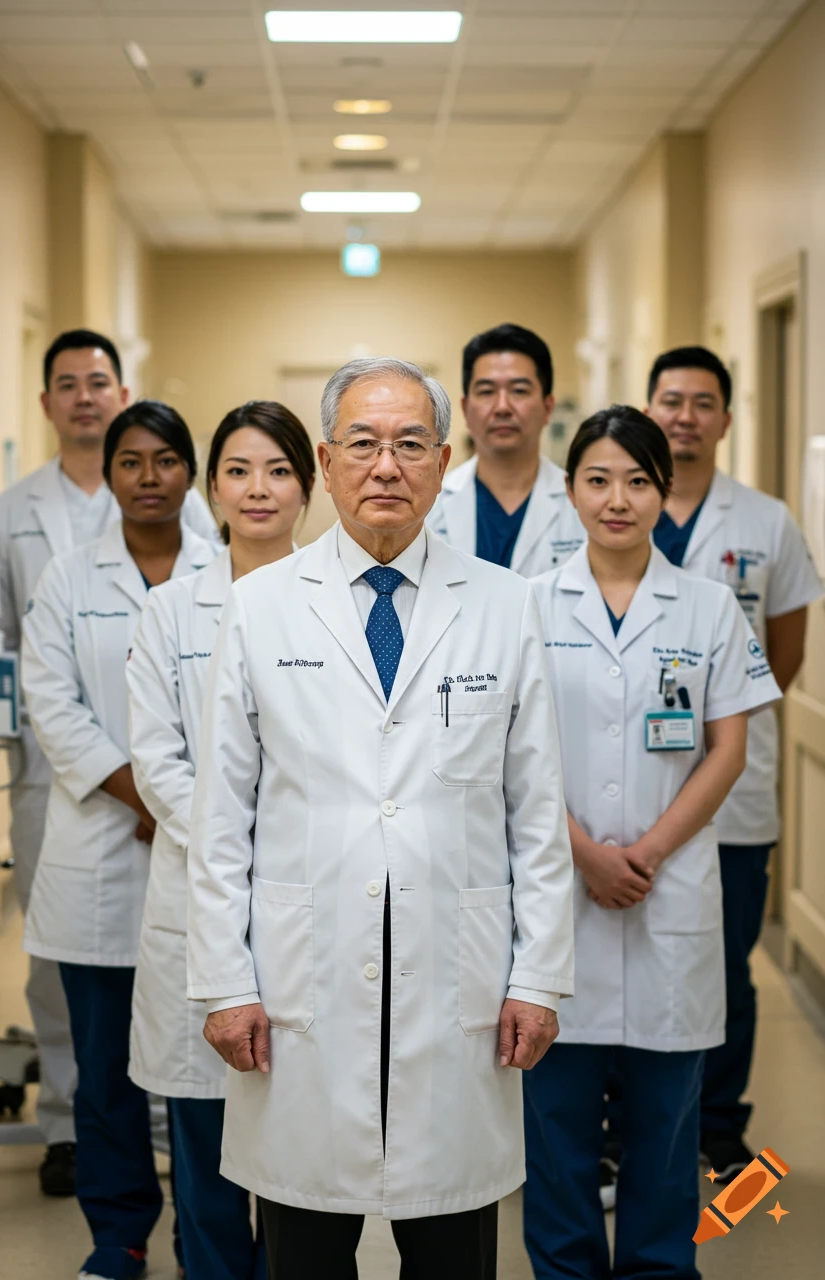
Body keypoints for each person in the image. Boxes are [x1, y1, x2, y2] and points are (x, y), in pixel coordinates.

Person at [186, 357, 575, 1280]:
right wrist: (226, 984)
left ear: (446, 462)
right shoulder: (259, 608)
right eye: (362, 444)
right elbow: (218, 821)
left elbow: (537, 816)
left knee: (452, 1241)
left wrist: (541, 978)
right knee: (306, 1241)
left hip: (458, 975)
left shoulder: (504, 605)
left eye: (409, 445)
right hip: (302, 974)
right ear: (325, 461)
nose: (386, 467)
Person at [521, 406, 781, 1280]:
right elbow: (503, 757)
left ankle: (661, 1270)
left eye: (637, 480)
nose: (617, 498)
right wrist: (584, 853)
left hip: (667, 893)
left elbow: (729, 747)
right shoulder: (527, 605)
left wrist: (648, 853)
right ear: (570, 493)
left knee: (666, 1128)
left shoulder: (706, 608)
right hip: (561, 892)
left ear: (663, 495)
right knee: (554, 1127)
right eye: (598, 479)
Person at [0, 329, 216, 1196]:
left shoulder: (226, 571)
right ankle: (116, 1225)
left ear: (191, 475)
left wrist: (177, 802)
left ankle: (204, 1228)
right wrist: (142, 794)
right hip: (97, 826)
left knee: (201, 1058)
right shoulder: (67, 576)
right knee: (93, 1042)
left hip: (196, 832)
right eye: (133, 463)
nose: (148, 477)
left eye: (166, 462)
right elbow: (51, 702)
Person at [126, 401, 316, 1280]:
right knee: (201, 1136)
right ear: (211, 490)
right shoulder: (169, 612)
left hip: (303, 896)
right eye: (238, 470)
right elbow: (157, 757)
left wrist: (275, 836)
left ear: (308, 489)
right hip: (196, 891)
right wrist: (234, 833)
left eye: (278, 470)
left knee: (292, 1140)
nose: (257, 489)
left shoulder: (334, 607)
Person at [645, 346, 823, 1182]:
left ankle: (717, 1125)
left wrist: (716, 733)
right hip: (622, 796)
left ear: (725, 417)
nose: (685, 415)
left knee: (727, 964)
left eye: (702, 402)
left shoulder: (766, 521)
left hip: (734, 792)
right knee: (626, 958)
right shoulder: (610, 506)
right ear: (649, 408)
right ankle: (632, 1126)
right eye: (671, 400)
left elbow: (781, 657)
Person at [427, 322, 584, 573]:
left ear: (548, 407)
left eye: (519, 390)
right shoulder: (429, 504)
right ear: (466, 408)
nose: (502, 407)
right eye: (487, 391)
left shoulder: (582, 506)